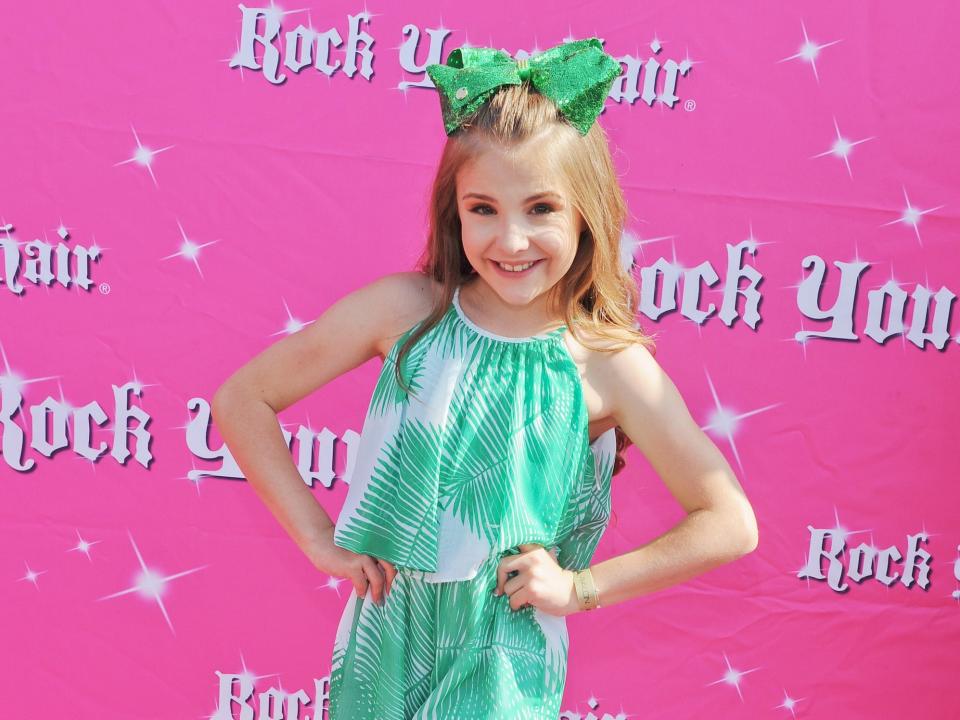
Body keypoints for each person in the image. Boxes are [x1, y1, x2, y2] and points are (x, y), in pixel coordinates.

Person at [212, 37, 758, 719]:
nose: (511, 241)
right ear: (454, 209)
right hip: (384, 636)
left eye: (541, 209)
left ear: (586, 211)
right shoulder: (403, 309)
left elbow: (729, 522)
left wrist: (580, 588)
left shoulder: (606, 361)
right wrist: (319, 539)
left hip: (504, 656)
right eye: (483, 209)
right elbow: (243, 399)